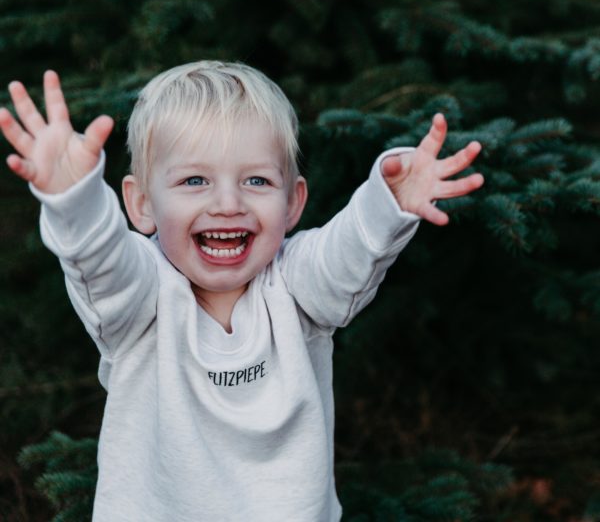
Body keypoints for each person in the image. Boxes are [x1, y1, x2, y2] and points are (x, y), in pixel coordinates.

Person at [0, 61, 484, 521]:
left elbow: (349, 254)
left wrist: (388, 202)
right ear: (142, 204)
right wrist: (74, 199)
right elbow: (99, 260)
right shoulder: (140, 296)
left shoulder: (298, 284)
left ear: (292, 203)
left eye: (256, 180)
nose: (228, 203)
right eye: (194, 180)